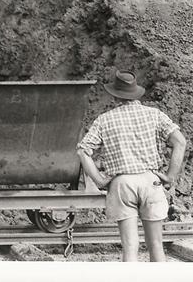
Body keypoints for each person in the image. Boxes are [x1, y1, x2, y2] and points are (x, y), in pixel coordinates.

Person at [77, 70, 187, 262]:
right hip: (150, 181)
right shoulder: (155, 115)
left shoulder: (104, 119)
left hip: (122, 184)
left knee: (130, 247)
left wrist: (100, 180)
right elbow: (180, 142)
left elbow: (83, 151)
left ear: (115, 95)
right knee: (156, 245)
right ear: (136, 92)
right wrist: (170, 176)